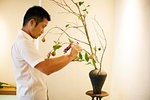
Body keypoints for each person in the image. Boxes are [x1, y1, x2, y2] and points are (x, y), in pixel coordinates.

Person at [11, 6, 82, 100]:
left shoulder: (26, 41)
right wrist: (69, 57)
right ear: (32, 22)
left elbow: (43, 62)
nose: (43, 31)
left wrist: (68, 57)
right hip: (31, 97)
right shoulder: (24, 43)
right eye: (43, 26)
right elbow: (46, 68)